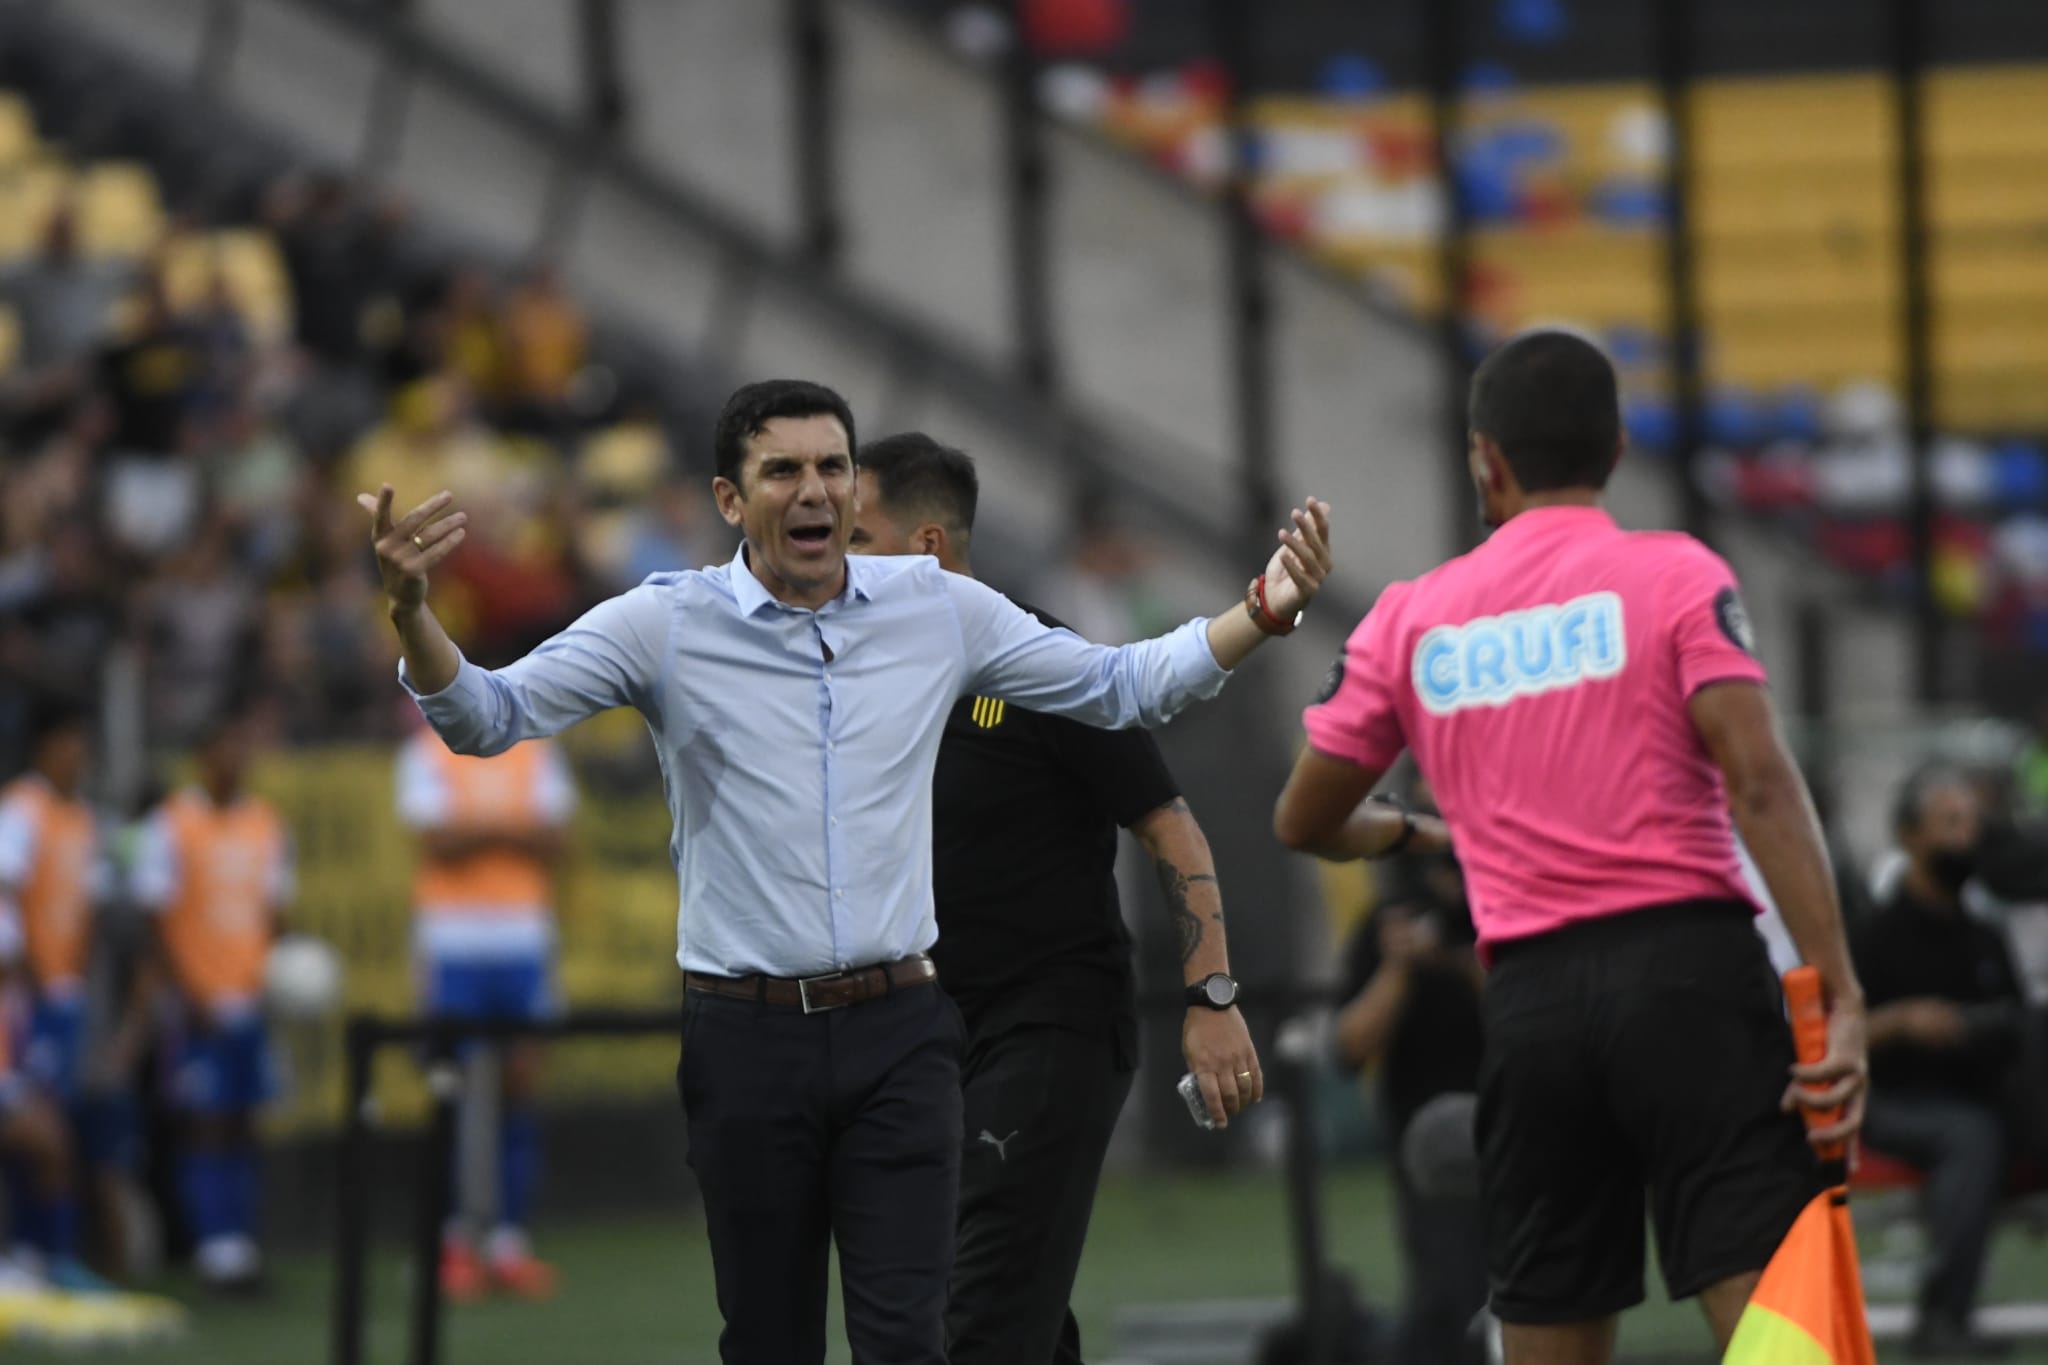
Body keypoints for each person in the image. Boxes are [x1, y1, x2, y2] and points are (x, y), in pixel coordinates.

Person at [361, 378, 1334, 1363]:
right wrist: (410, 614)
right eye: (781, 469)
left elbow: (1121, 687)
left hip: (899, 1035)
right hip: (746, 1038)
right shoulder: (663, 626)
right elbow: (483, 718)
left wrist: (1260, 609)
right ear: (729, 500)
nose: (814, 488)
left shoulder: (934, 607)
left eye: (831, 465)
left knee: (913, 1344)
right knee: (769, 1343)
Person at [1273, 330, 1866, 1365]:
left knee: (1548, 1331)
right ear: (1617, 447)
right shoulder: (1675, 574)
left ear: (1483, 460)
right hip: (1692, 983)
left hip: (1532, 1007)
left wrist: (1410, 830)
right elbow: (1758, 781)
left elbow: (1302, 819)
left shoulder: (1410, 618)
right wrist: (1840, 991)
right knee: (1785, 1342)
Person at [848, 432, 1262, 1364]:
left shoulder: (1039, 659)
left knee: (970, 1325)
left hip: (1048, 1030)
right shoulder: (859, 678)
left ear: (925, 550)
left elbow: (1172, 826)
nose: (835, 560)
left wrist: (1212, 999)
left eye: (857, 537)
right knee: (1010, 1314)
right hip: (924, 1038)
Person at [1853, 763, 2048, 1359]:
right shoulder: (1873, 935)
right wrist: (1903, 1022)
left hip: (1975, 1096)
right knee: (1973, 1137)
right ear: (1911, 836)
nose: (1965, 839)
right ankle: (1943, 1318)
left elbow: (2015, 1023)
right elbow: (1834, 1036)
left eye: (1970, 824)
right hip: (1891, 1103)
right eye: (1949, 823)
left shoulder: (1983, 935)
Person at [397, 720, 576, 1302]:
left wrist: (474, 831)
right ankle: (454, 1239)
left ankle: (506, 1242)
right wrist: (512, 830)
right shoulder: (428, 751)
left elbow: (557, 842)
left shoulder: (534, 752)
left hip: (523, 939)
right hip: (451, 942)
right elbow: (435, 843)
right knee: (455, 1087)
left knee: (520, 1084)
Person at [131, 716, 293, 1294]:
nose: (235, 759)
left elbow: (275, 912)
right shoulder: (171, 825)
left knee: (245, 1117)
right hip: (197, 1002)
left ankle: (239, 1243)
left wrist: (275, 977)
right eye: (224, 748)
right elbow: (155, 919)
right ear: (202, 756)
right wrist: (185, 991)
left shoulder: (265, 823)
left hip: (250, 998)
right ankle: (210, 1245)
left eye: (241, 747)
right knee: (206, 1121)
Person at [1331, 780, 1486, 1365]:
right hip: (1425, 1147)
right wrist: (1400, 966)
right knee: (1445, 1294)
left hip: (1513, 1127)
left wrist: (1459, 960)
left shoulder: (1501, 909)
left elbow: (1525, 1019)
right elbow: (1348, 1048)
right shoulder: (1388, 922)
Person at [0, 703, 127, 1289]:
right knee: (39, 1123)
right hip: (30, 997)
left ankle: (45, 1253)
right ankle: (32, 1252)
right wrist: (29, 988)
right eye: (68, 744)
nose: (77, 757)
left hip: (67, 993)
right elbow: (8, 895)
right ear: (45, 748)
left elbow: (90, 910)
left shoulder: (84, 819)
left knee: (60, 1119)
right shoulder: (22, 809)